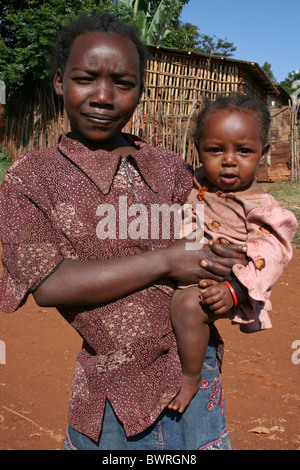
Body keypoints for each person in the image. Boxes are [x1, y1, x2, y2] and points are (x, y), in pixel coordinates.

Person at [0, 14, 247, 451]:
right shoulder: (29, 180)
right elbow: (51, 283)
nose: (103, 96)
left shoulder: (170, 169)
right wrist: (168, 260)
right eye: (85, 78)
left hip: (192, 371)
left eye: (123, 83)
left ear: (141, 92)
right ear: (59, 82)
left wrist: (229, 280)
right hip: (108, 391)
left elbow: (216, 248)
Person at [168, 94, 298, 413]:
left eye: (243, 151)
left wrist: (235, 288)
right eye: (215, 150)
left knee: (187, 306)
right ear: (198, 148)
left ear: (263, 153)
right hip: (188, 262)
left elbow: (273, 252)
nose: (229, 160)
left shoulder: (263, 208)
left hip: (229, 281)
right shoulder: (197, 180)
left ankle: (190, 377)